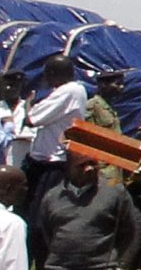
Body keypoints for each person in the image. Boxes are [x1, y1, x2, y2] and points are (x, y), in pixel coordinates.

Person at [16, 53, 90, 213]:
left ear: (52, 74)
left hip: (52, 162)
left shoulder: (68, 91)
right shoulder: (77, 90)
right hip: (51, 159)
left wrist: (28, 103)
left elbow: (32, 119)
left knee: (38, 209)